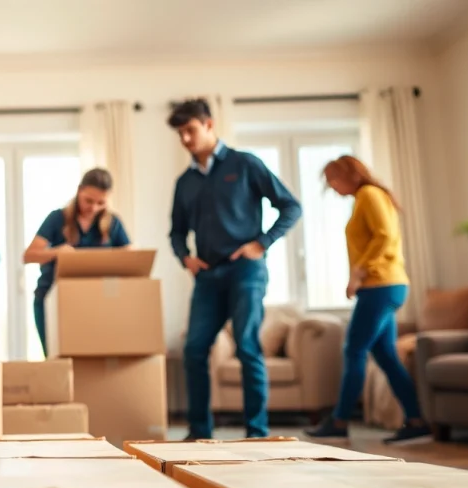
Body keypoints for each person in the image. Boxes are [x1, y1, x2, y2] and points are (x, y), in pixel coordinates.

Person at [168, 98, 302, 441]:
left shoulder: (244, 164)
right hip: (207, 277)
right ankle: (200, 432)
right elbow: (177, 232)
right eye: (180, 133)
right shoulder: (185, 182)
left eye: (190, 130)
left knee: (246, 346)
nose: (185, 138)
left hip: (246, 271)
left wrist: (263, 242)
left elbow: (290, 206)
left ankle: (256, 432)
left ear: (209, 125)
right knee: (195, 349)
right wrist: (185, 257)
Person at [305, 156, 432, 445]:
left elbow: (384, 236)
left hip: (380, 285)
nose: (331, 186)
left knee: (354, 350)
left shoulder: (369, 195)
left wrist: (359, 272)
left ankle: (339, 421)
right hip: (386, 285)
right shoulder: (365, 197)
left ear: (349, 174)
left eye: (333, 179)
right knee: (386, 355)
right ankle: (416, 421)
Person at [23, 168, 130, 356]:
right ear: (79, 191)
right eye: (89, 200)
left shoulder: (113, 223)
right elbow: (29, 255)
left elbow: (130, 260)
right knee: (57, 362)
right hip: (52, 300)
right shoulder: (57, 219)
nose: (94, 208)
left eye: (101, 203)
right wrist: (57, 252)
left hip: (95, 303)